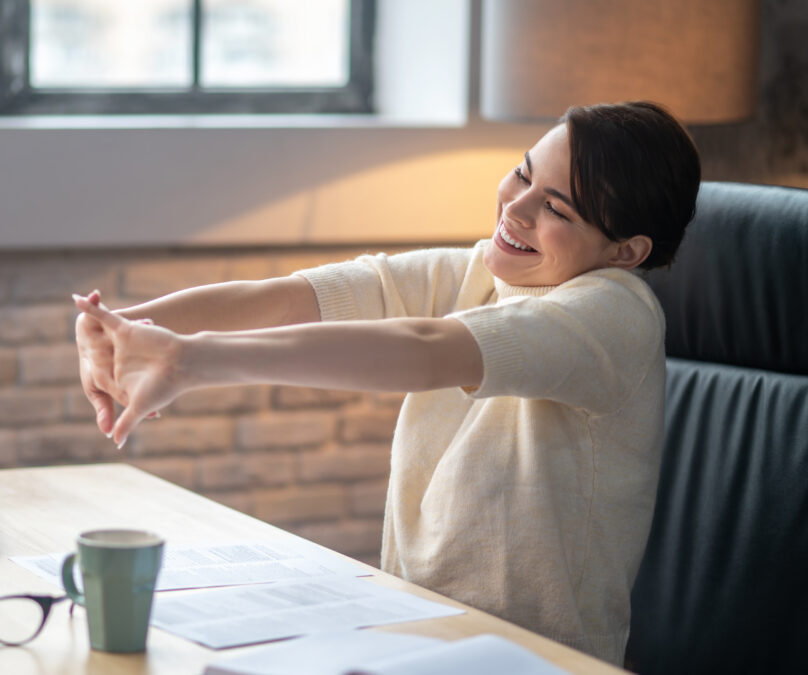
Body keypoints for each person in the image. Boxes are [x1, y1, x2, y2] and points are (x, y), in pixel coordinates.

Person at [72, 101, 701, 666]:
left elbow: (428, 351)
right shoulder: (482, 270)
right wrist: (125, 330)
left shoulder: (614, 313)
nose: (515, 206)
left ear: (626, 251)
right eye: (523, 172)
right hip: (414, 632)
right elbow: (293, 298)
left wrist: (190, 360)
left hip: (535, 659)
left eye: (555, 207)